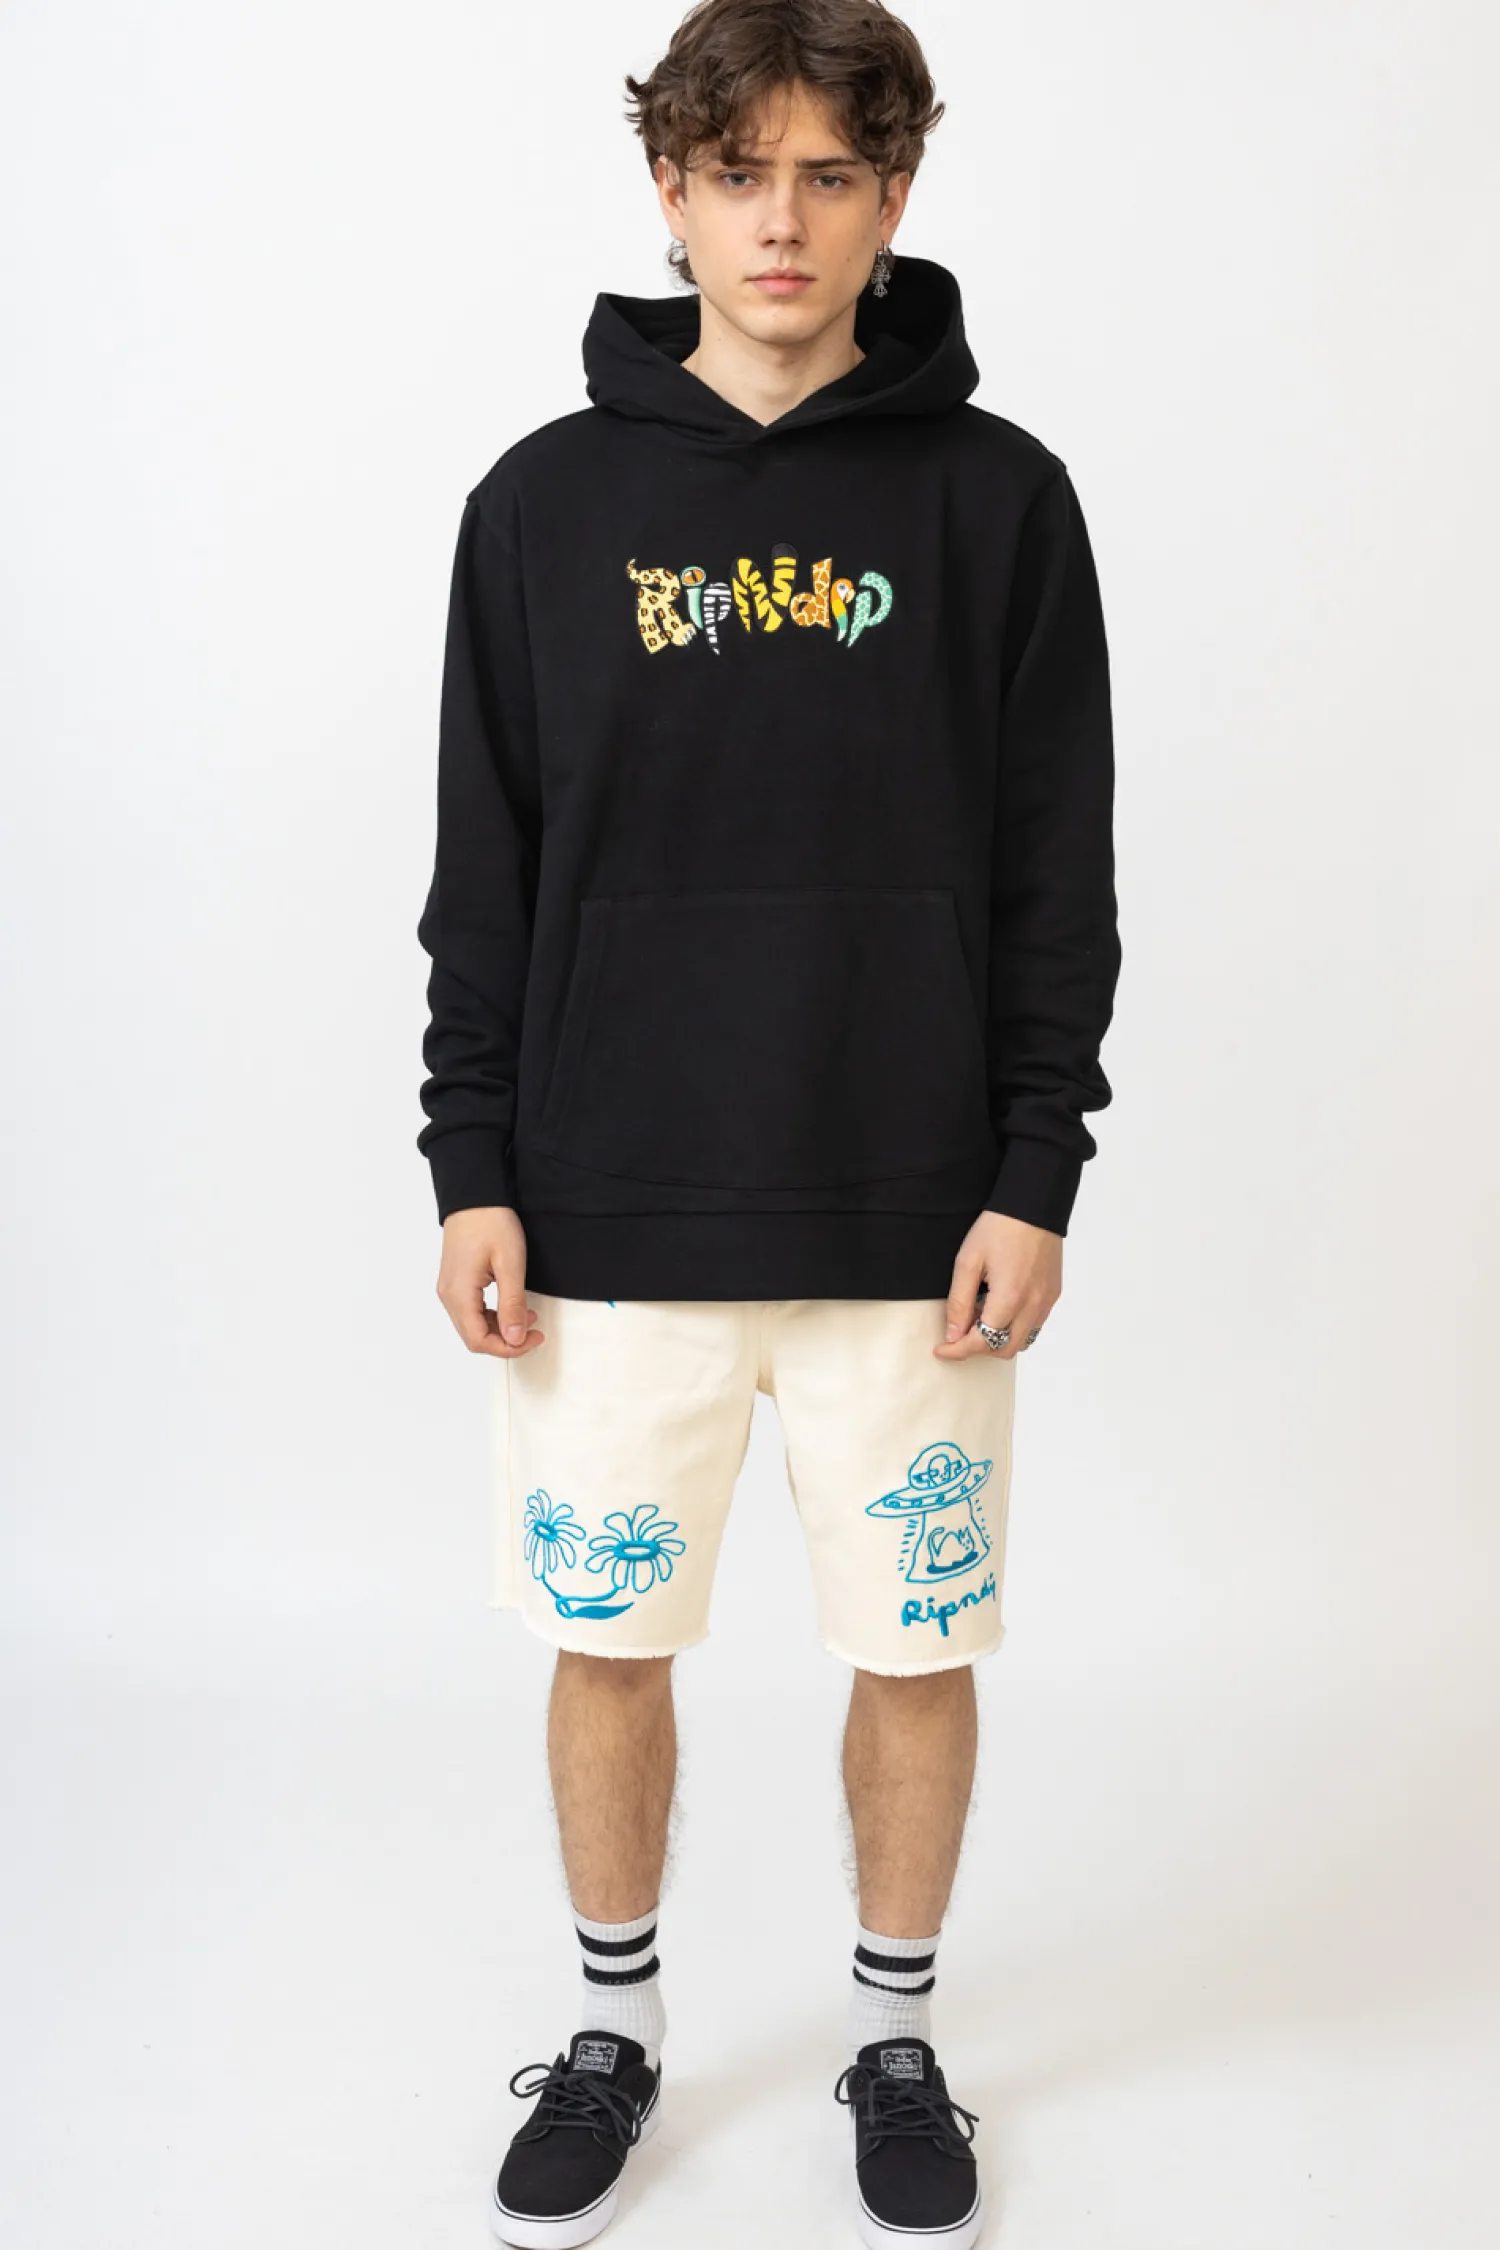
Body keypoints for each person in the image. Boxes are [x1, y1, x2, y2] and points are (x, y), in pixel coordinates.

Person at [415, 3, 1120, 2242]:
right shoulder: (544, 507)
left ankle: (895, 2034)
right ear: (672, 191)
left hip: (918, 1214)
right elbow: (486, 864)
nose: (783, 221)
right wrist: (473, 1163)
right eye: (740, 174)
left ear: (896, 194)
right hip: (608, 1209)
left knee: (916, 1647)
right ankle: (614, 2025)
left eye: (830, 174)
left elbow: (1057, 869)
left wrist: (1034, 1165)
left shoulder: (999, 503)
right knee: (610, 1637)